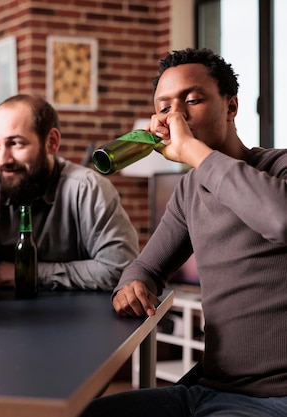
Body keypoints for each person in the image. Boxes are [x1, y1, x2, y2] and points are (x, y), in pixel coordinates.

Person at [81, 48, 287, 416]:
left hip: (275, 398)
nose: (176, 116)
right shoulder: (189, 191)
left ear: (231, 106)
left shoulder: (279, 168)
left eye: (192, 100)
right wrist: (133, 287)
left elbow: (280, 219)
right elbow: (144, 267)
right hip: (210, 388)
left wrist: (192, 150)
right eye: (164, 108)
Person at [0, 94, 139, 291]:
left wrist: (27, 272)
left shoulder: (86, 189)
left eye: (16, 143)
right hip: (1, 319)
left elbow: (120, 270)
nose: (3, 160)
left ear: (51, 142)